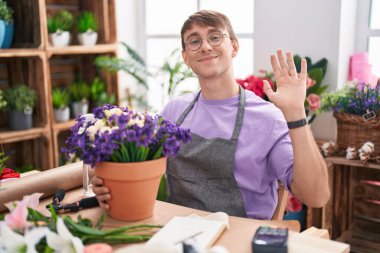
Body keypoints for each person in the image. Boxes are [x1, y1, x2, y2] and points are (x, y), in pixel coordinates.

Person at [92, 10, 329, 219]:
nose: (205, 46)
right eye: (194, 41)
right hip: (179, 233)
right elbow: (135, 166)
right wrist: (107, 184)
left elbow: (316, 197)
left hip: (242, 239)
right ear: (186, 57)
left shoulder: (267, 118)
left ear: (234, 47)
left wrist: (296, 112)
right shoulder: (174, 111)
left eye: (215, 37)